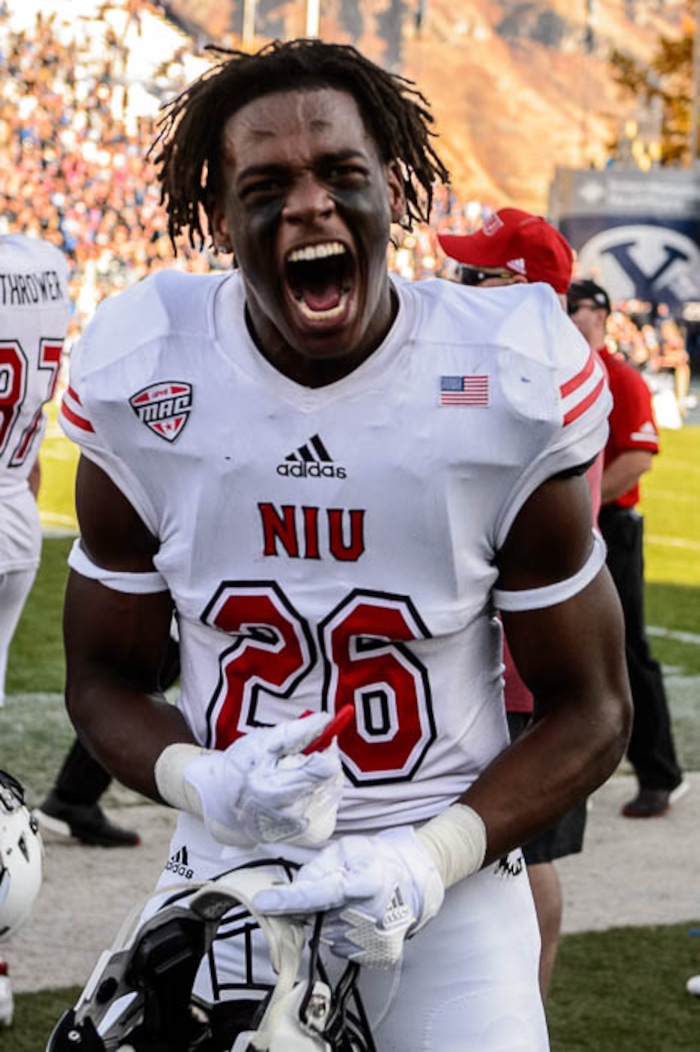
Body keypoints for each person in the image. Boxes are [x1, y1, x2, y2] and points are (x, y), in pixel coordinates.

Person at [53, 39, 631, 1051]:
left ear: (392, 189)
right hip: (226, 874)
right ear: (217, 212)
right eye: (267, 183)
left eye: (341, 174)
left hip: (444, 898)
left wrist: (425, 857)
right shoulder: (147, 374)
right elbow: (99, 679)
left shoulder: (502, 377)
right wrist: (206, 781)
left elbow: (593, 708)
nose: (310, 203)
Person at [437, 208, 601, 1000]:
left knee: (516, 855)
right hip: (515, 657)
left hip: (521, 664)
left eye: (475, 276)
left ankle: (516, 1015)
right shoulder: (539, 360)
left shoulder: (526, 375)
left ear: (520, 288)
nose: (457, 287)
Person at [567, 278, 686, 819]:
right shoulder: (560, 372)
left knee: (627, 651)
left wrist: (582, 505)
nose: (570, 317)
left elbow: (638, 457)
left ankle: (660, 772)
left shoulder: (619, 377)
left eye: (578, 308)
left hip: (610, 525)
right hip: (575, 523)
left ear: (602, 315)